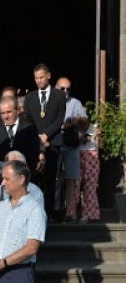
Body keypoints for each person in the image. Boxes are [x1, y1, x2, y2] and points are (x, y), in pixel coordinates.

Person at [23, 63, 66, 220]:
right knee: (33, 177)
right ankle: (34, 212)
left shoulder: (59, 96)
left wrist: (46, 134)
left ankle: (49, 212)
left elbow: (60, 118)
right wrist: (37, 136)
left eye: (41, 77)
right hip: (34, 142)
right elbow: (27, 119)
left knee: (51, 179)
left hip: (53, 141)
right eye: (36, 78)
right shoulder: (29, 97)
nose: (38, 81)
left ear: (48, 76)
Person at [55, 78, 86, 223]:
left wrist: (76, 124)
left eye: (68, 89)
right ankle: (54, 211)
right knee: (54, 179)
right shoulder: (50, 102)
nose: (65, 92)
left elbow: (85, 125)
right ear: (56, 88)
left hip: (71, 145)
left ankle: (69, 213)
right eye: (62, 89)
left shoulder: (76, 103)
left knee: (71, 179)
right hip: (54, 144)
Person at [0, 96, 41, 180]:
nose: (6, 116)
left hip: (24, 177)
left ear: (17, 111)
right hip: (2, 178)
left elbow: (34, 153)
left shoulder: (29, 129)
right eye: (2, 113)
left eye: (8, 112)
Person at [75, 115, 101, 222]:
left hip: (92, 156)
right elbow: (72, 141)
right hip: (77, 155)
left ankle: (90, 215)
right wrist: (83, 138)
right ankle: (72, 214)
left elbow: (101, 145)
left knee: (90, 187)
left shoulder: (94, 127)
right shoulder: (74, 128)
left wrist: (99, 136)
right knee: (75, 187)